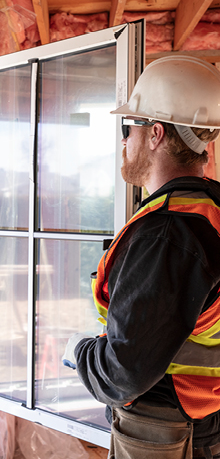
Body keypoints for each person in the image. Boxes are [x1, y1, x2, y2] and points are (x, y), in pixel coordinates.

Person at [62, 55, 220, 458]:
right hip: (203, 415)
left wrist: (78, 352)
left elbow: (124, 372)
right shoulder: (207, 209)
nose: (122, 141)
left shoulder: (169, 232)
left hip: (163, 423)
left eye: (127, 128)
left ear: (155, 134)